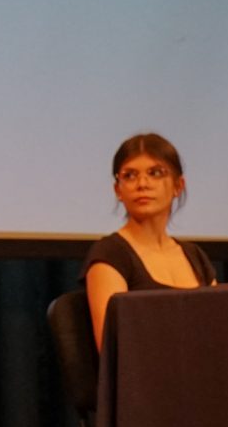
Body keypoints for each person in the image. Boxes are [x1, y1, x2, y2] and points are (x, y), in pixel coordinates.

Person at [82, 133, 215, 347]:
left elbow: (219, 328)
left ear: (178, 185)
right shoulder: (110, 255)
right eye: (130, 175)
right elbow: (114, 348)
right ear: (118, 190)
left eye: (155, 173)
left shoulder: (195, 256)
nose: (142, 184)